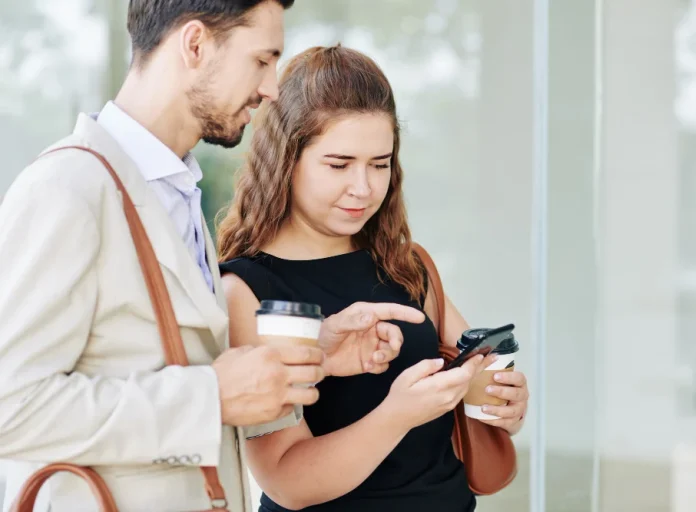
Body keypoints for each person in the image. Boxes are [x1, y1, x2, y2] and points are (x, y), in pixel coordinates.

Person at [0, 3, 425, 511]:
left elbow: (163, 361)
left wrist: (317, 354)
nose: (270, 88)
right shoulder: (69, 188)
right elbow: (10, 407)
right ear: (195, 44)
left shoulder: (173, 192)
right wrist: (210, 396)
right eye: (261, 60)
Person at [217, 45, 531, 512]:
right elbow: (286, 479)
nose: (363, 189)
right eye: (339, 165)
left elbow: (472, 389)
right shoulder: (246, 290)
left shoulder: (407, 265)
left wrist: (504, 403)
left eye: (379, 164)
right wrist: (397, 415)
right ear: (286, 160)